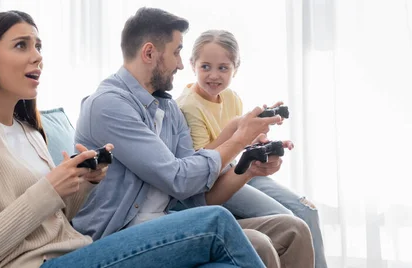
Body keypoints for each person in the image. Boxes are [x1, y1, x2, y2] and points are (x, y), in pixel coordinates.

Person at [0, 10, 267, 268]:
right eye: (21, 45)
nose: (37, 56)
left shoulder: (28, 131)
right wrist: (49, 188)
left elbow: (57, 218)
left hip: (76, 251)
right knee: (216, 223)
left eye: (38, 45)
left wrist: (84, 183)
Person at [73, 7, 315, 268]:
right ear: (149, 53)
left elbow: (196, 194)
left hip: (165, 222)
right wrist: (238, 139)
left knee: (293, 230)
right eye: (176, 51)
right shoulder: (109, 105)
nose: (180, 63)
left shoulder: (167, 108)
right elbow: (178, 178)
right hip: (118, 234)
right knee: (257, 243)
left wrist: (248, 169)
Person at [175, 29, 327, 268]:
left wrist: (261, 138)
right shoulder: (188, 106)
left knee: (307, 211)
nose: (213, 75)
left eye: (223, 68)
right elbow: (202, 163)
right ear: (192, 64)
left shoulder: (231, 97)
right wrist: (240, 133)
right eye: (205, 67)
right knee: (290, 222)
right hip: (218, 180)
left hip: (237, 167)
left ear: (235, 68)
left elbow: (240, 142)